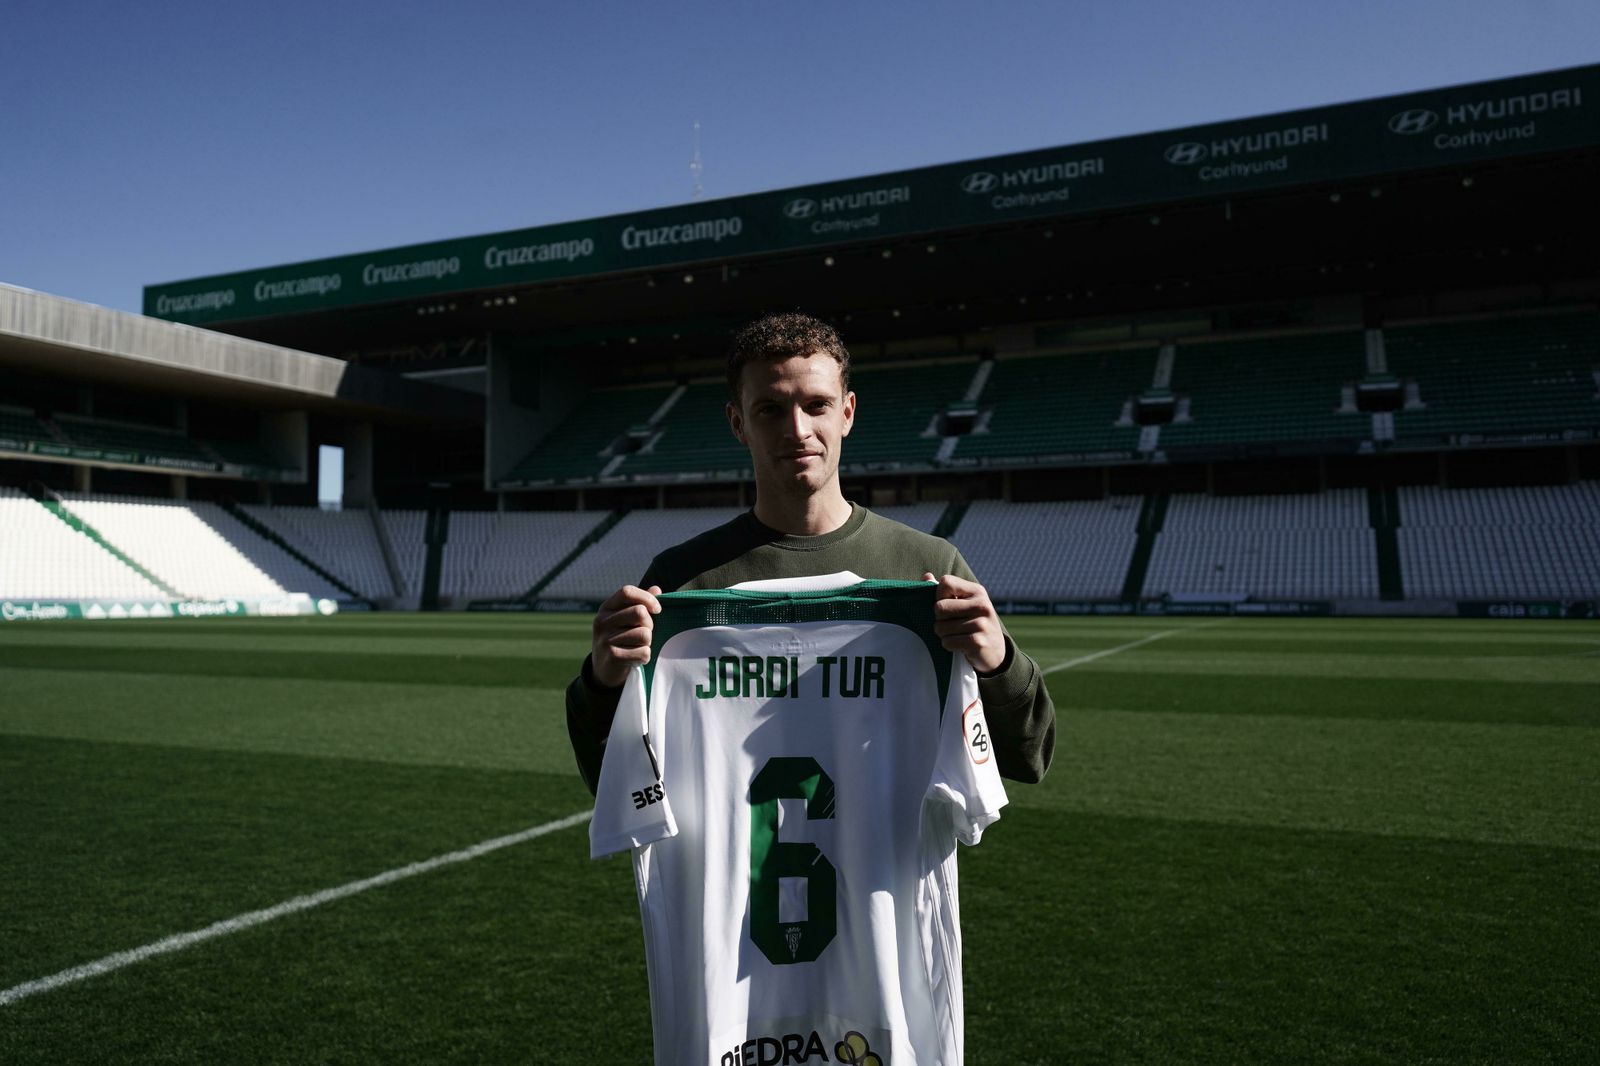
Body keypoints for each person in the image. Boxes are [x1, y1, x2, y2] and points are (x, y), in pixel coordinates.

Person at [565, 311, 1054, 791]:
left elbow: (1027, 757)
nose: (797, 430)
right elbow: (613, 780)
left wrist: (998, 663)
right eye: (770, 409)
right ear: (738, 423)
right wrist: (602, 684)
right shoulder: (681, 579)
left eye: (817, 405)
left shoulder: (929, 567)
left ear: (847, 413)